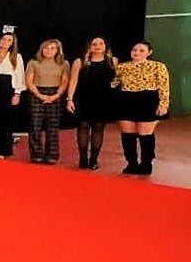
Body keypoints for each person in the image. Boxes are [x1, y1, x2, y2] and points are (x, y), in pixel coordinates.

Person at [112, 41, 170, 176]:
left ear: (149, 52)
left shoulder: (158, 66)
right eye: (134, 50)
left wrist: (163, 104)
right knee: (127, 135)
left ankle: (146, 163)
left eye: (141, 50)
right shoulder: (122, 67)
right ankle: (131, 163)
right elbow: (114, 83)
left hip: (148, 101)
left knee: (145, 135)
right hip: (126, 100)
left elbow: (164, 86)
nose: (136, 52)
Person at [66, 37, 117, 170]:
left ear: (105, 46)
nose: (97, 46)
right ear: (89, 46)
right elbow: (73, 81)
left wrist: (114, 86)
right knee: (83, 127)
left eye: (101, 44)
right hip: (83, 99)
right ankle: (83, 158)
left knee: (98, 128)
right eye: (94, 44)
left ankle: (94, 159)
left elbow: (117, 80)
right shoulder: (80, 62)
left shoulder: (113, 61)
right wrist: (69, 99)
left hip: (103, 100)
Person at [24, 39, 70, 165]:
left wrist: (56, 95)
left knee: (53, 127)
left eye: (52, 48)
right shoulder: (33, 63)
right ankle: (36, 154)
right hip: (36, 93)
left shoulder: (64, 64)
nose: (49, 50)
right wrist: (40, 95)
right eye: (46, 48)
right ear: (41, 49)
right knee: (35, 126)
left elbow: (65, 81)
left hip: (55, 93)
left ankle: (52, 155)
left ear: (57, 50)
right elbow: (29, 82)